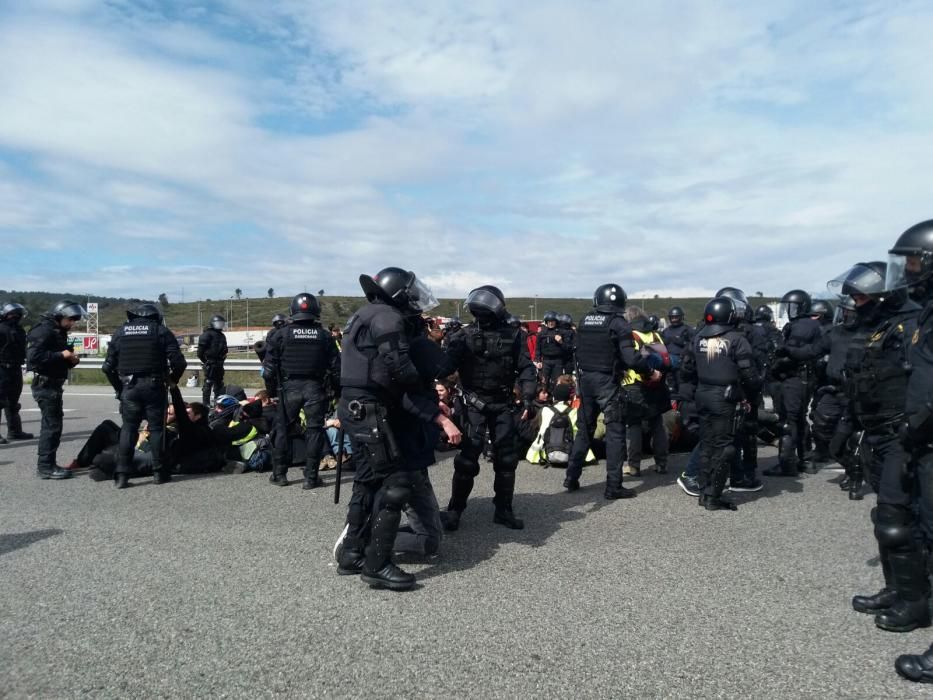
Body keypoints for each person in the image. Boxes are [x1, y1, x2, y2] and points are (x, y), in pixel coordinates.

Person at [334, 267, 460, 591]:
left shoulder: (364, 314)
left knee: (366, 483)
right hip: (371, 410)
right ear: (400, 294)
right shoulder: (388, 318)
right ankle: (377, 565)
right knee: (395, 485)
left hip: (354, 407)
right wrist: (426, 394)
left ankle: (351, 554)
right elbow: (399, 368)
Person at [829, 260, 928, 633]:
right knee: (887, 518)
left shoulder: (910, 325)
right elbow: (861, 382)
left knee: (897, 519)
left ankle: (915, 601)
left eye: (860, 295)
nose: (855, 302)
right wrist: (848, 424)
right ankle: (897, 589)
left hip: (900, 434)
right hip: (874, 432)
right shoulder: (874, 329)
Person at [439, 285, 537, 531]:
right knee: (467, 461)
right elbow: (444, 368)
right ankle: (454, 510)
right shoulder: (462, 336)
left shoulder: (514, 335)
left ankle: (504, 510)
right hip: (473, 404)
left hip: (503, 404)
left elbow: (526, 368)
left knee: (506, 460)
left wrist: (527, 397)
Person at [564, 284, 658, 498]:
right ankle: (613, 486)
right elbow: (630, 357)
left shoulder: (585, 320)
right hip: (607, 382)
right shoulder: (619, 323)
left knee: (584, 430)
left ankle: (571, 477)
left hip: (586, 380)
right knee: (615, 432)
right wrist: (649, 371)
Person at [680, 296, 760, 511]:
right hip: (725, 397)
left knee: (707, 444)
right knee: (725, 447)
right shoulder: (736, 339)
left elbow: (686, 370)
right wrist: (751, 395)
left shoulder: (697, 338)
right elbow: (750, 375)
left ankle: (705, 491)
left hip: (702, 394)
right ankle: (713, 496)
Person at [102, 303, 186, 489]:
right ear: (155, 317)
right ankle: (159, 472)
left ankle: (122, 474)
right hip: (154, 386)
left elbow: (107, 367)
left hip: (129, 388)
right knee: (156, 429)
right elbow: (179, 362)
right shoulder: (160, 331)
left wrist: (119, 389)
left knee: (129, 429)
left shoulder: (120, 332)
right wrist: (171, 380)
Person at [263, 292, 340, 489]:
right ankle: (311, 477)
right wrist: (337, 392)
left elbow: (269, 370)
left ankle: (280, 474)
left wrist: (271, 392)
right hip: (315, 388)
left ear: (292, 310)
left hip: (289, 389)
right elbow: (336, 368)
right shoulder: (324, 336)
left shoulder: (280, 334)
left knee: (282, 430)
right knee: (314, 431)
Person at [763, 290, 823, 476]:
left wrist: (775, 364)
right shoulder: (802, 325)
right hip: (801, 377)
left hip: (796, 377)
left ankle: (787, 464)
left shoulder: (803, 326)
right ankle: (805, 460)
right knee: (798, 418)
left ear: (802, 306)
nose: (789, 310)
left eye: (792, 306)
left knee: (789, 420)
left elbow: (792, 353)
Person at [26, 300, 86, 479]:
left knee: (53, 426)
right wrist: (61, 354)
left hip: (53, 384)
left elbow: (60, 357)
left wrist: (71, 360)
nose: (72, 323)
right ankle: (45, 467)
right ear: (59, 316)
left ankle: (48, 464)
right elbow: (34, 358)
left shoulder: (58, 332)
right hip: (45, 384)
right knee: (51, 427)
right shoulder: (43, 330)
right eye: (70, 319)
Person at [621, 307, 671, 476]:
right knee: (657, 424)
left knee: (633, 425)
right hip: (657, 384)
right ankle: (662, 463)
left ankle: (633, 465)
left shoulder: (631, 336)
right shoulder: (656, 335)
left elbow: (630, 360)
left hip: (635, 384)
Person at [0, 303, 33, 442]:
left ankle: (15, 431)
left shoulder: (19, 330)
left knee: (13, 402)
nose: (16, 317)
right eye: (14, 314)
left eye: (18, 315)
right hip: (1, 368)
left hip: (15, 368)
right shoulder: (1, 329)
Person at [198, 314, 228, 406]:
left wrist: (222, 357)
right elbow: (200, 352)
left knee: (219, 383)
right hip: (210, 363)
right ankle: (205, 403)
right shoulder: (207, 334)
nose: (220, 325)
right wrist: (206, 361)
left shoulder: (222, 335)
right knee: (208, 382)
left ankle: (218, 402)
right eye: (218, 323)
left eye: (221, 323)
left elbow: (224, 349)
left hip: (219, 363)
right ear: (213, 323)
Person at [535, 311, 565, 391]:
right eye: (549, 321)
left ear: (556, 322)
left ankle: (556, 399)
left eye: (553, 321)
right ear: (546, 322)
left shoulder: (561, 332)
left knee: (557, 381)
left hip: (558, 360)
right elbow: (538, 348)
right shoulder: (541, 333)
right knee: (544, 381)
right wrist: (538, 360)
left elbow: (567, 348)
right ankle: (544, 397)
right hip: (546, 360)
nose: (551, 323)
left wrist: (561, 342)